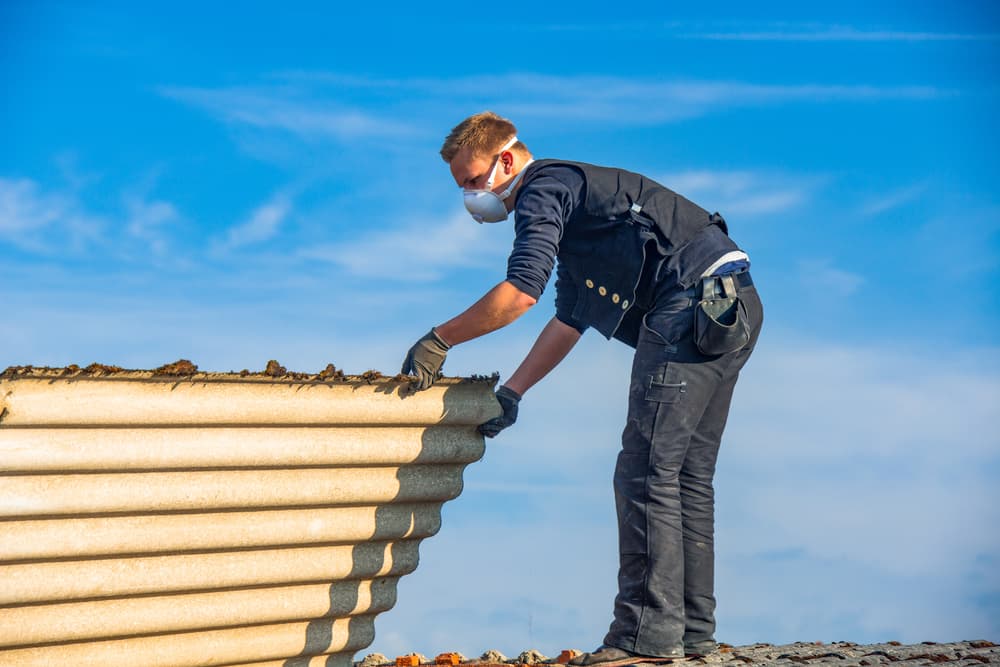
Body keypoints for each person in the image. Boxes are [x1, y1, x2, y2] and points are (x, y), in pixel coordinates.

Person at [401, 111, 763, 662]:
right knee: (685, 475)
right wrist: (514, 393)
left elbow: (522, 292)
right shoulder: (578, 213)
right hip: (731, 301)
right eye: (463, 188)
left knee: (645, 470)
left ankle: (644, 639)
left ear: (506, 159)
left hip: (689, 303)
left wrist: (439, 339)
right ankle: (690, 632)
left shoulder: (545, 187)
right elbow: (568, 317)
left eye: (475, 181)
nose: (473, 197)